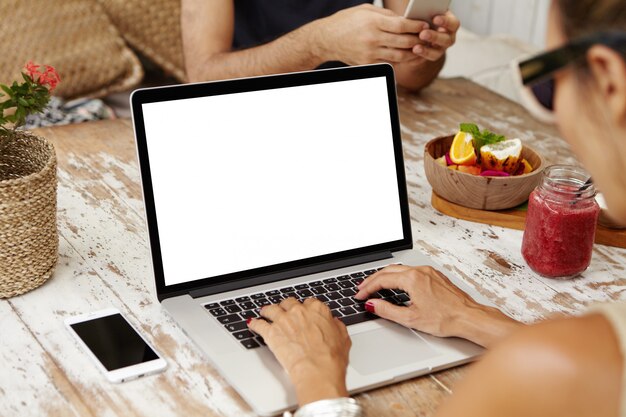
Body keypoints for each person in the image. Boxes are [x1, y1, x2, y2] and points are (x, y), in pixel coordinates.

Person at [247, 0, 626, 416]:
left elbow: (573, 368)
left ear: (610, 83)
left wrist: (316, 377)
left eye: (545, 83)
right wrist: (473, 318)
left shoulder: (542, 374)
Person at [181, 1, 460, 91]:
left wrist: (425, 46)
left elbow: (411, 78)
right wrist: (319, 43)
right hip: (248, 108)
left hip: (359, 107)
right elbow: (203, 75)